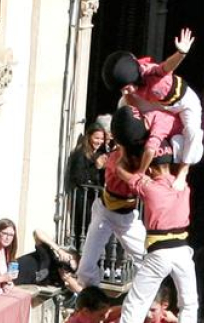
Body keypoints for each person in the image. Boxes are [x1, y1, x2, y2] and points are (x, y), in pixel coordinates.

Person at [114, 140, 198, 323]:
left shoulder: (149, 188)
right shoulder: (184, 187)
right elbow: (185, 168)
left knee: (136, 302)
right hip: (183, 251)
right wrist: (183, 170)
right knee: (190, 303)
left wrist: (123, 150)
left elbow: (120, 171)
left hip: (159, 253)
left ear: (151, 169)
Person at [102, 28, 204, 176]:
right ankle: (124, 153)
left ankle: (183, 170)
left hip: (183, 103)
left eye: (126, 88)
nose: (125, 91)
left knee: (192, 132)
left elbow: (167, 66)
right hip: (157, 103)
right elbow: (127, 102)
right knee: (122, 106)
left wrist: (181, 53)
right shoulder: (129, 83)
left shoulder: (150, 73)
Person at [76, 107, 148, 289]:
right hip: (104, 211)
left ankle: (146, 300)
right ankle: (95, 301)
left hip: (127, 218)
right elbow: (127, 176)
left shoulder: (138, 156)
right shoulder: (116, 158)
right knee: (84, 270)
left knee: (149, 261)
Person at [14, 228, 83, 292]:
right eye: (69, 258)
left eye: (70, 268)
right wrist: (59, 250)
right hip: (9, 269)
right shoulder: (48, 256)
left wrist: (68, 279)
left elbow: (81, 291)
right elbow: (37, 232)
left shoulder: (58, 281)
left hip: (13, 282)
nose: (67, 265)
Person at [65, 123, 108, 194]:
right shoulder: (81, 153)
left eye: (102, 139)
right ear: (89, 137)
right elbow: (78, 177)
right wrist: (96, 167)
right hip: (83, 198)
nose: (99, 142)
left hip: (94, 197)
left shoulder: (99, 153)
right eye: (96, 138)